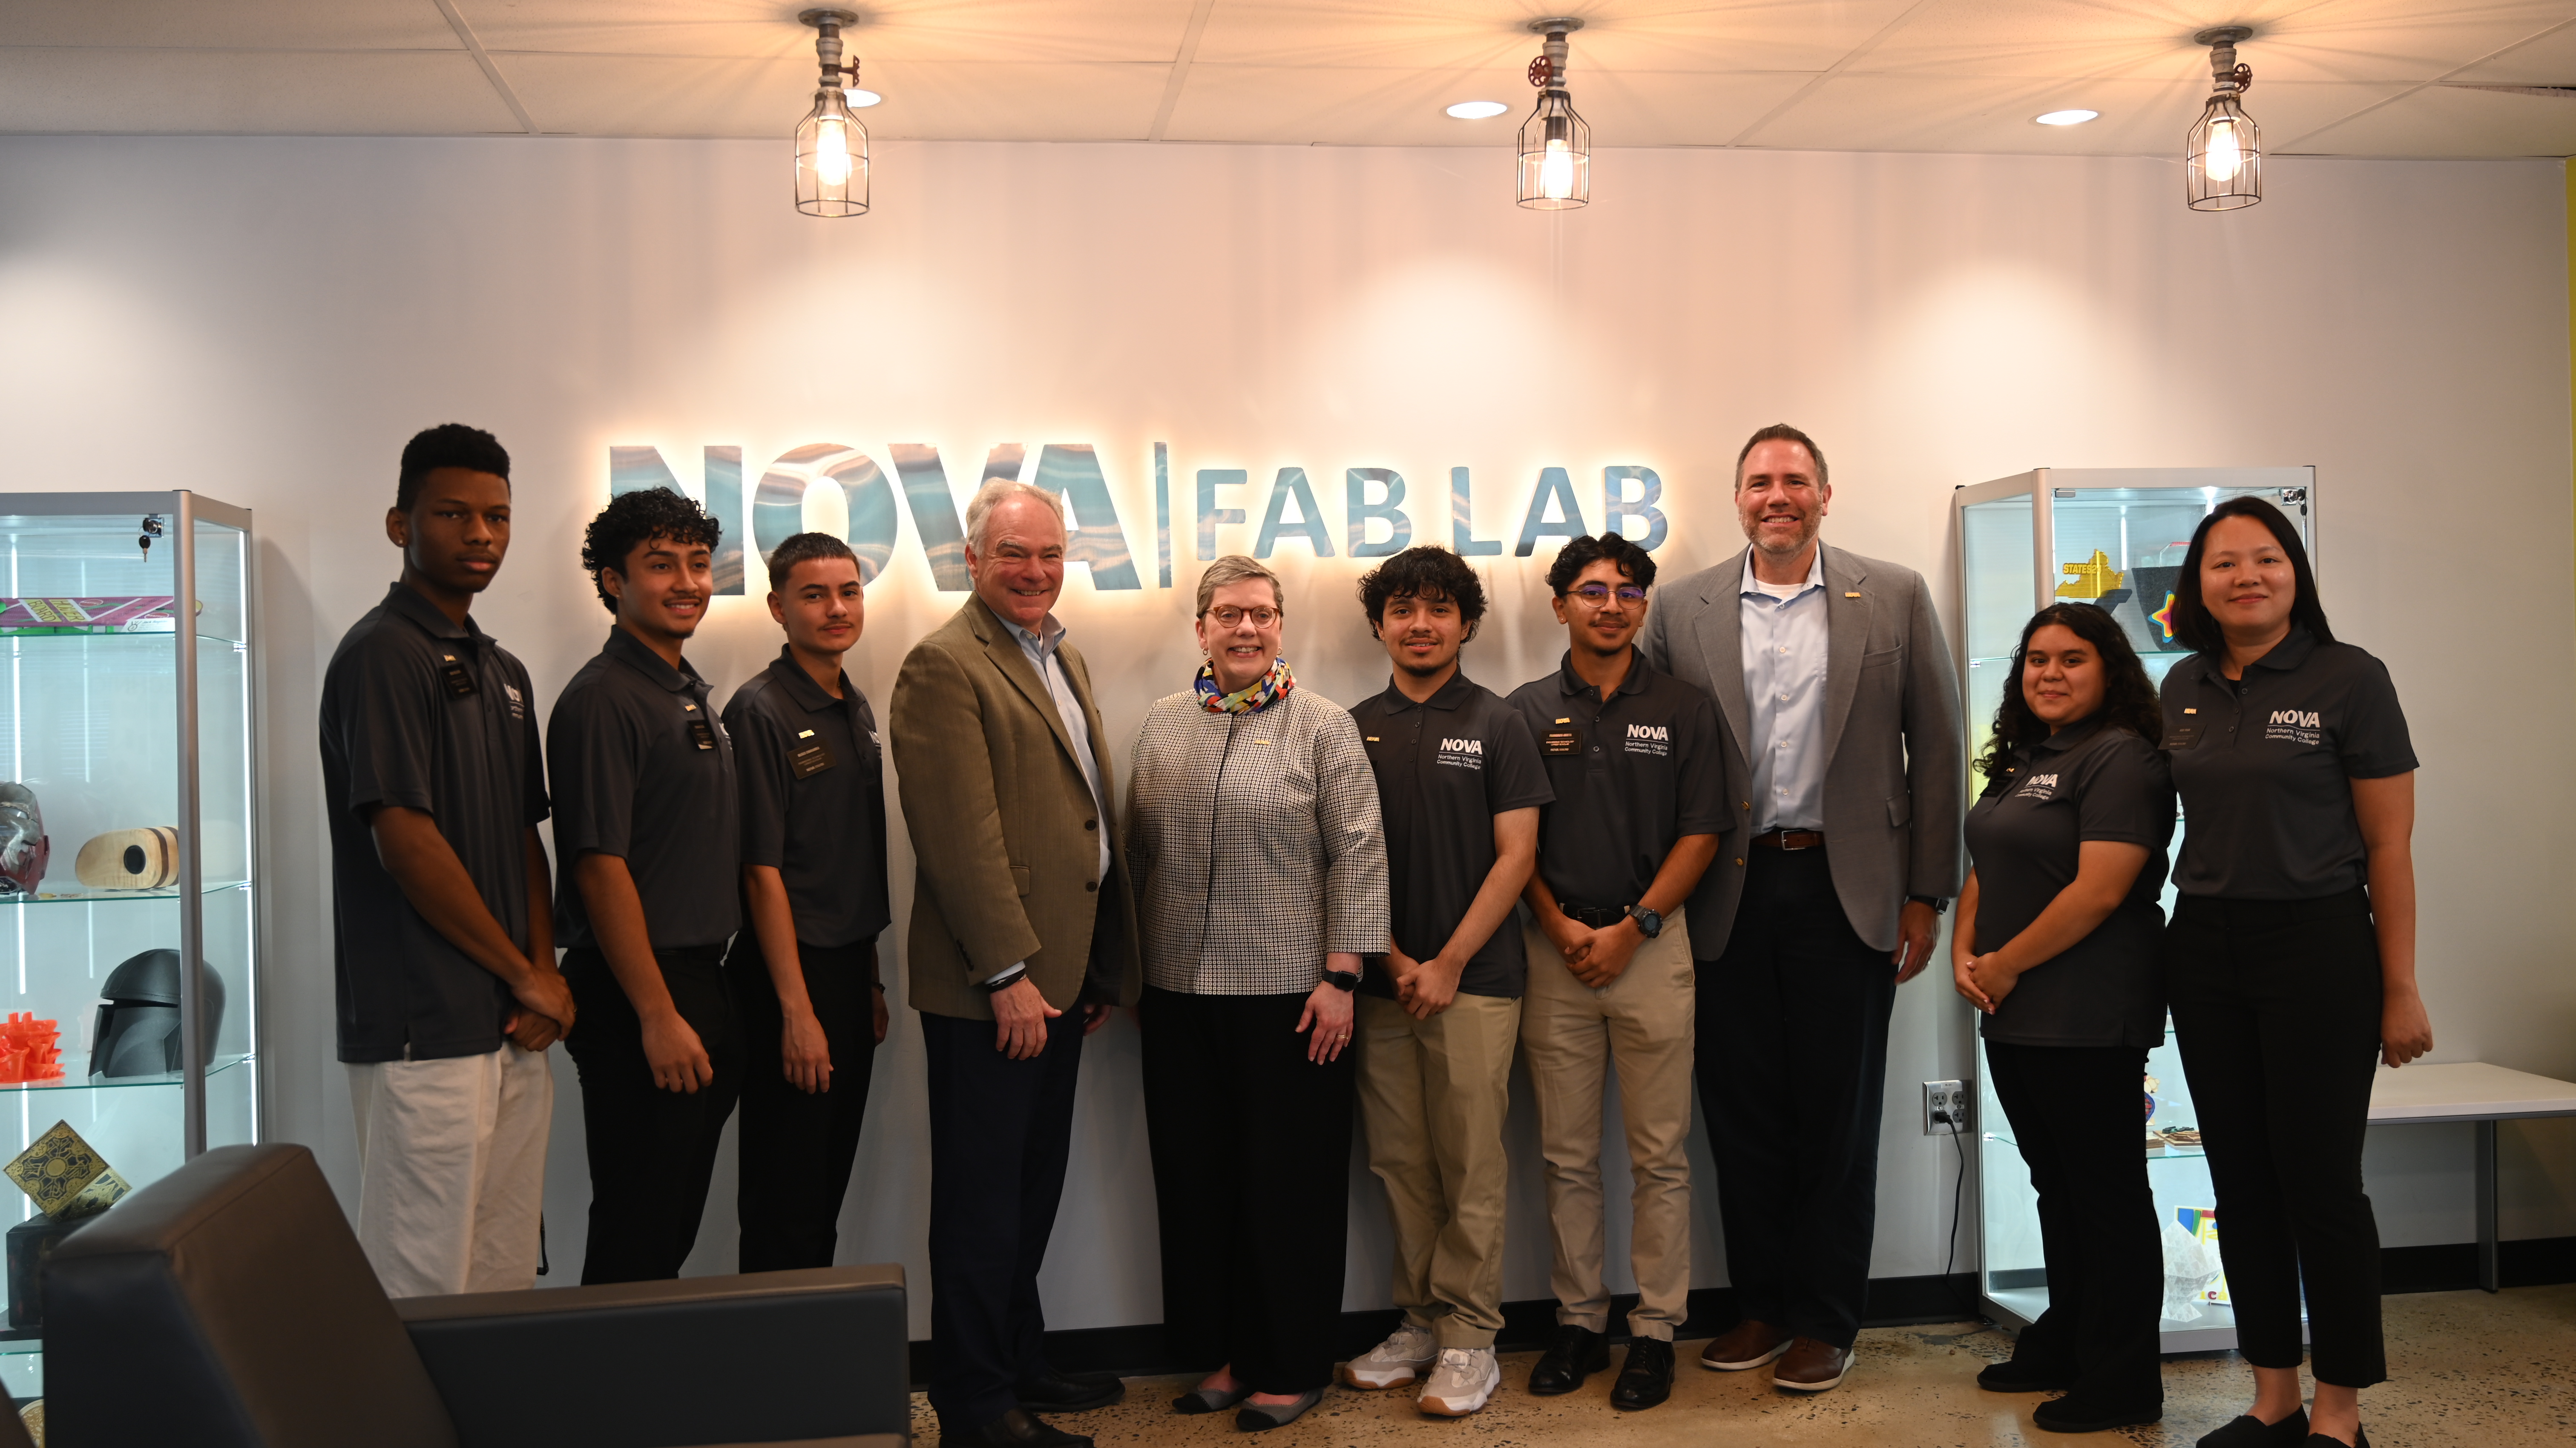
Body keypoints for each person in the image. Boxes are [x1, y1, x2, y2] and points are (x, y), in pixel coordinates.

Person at [1638, 422, 1963, 1393]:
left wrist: (1926, 892)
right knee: (1740, 1114)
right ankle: (1762, 1304)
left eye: (1793, 480)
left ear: (1826, 492)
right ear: (1736, 499)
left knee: (1838, 1113)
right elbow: (1662, 754)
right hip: (1727, 891)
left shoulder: (1893, 592)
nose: (1775, 495)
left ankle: (1827, 1316)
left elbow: (1938, 750)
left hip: (1848, 889)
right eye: (1757, 482)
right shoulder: (1682, 606)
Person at [2157, 498, 2426, 1448]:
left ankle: (2340, 1411)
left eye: (2265, 559)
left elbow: (2389, 847)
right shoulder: (2182, 685)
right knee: (2240, 1175)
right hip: (2206, 945)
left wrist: (2401, 985)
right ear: (2198, 584)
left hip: (2319, 944)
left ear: (2295, 572)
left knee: (2320, 1181)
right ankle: (2273, 1395)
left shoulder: (2351, 677)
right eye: (2224, 563)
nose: (2246, 577)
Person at [889, 480, 1141, 1448]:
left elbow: (1083, 819)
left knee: (1030, 1192)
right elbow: (959, 841)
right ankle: (976, 1404)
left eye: (1049, 553)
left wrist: (1095, 967)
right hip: (998, 990)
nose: (1035, 571)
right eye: (1014, 555)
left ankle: (1021, 1360)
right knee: (981, 1204)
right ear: (972, 560)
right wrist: (1008, 975)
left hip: (1061, 980)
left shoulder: (1057, 651)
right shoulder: (943, 665)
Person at [1126, 555, 1388, 1433]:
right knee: (1202, 1182)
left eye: (1263, 615)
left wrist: (1344, 974)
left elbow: (1358, 854)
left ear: (1282, 627)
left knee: (1289, 1186)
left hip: (1292, 997)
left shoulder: (1323, 726)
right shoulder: (1163, 726)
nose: (1247, 629)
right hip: (1175, 995)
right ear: (1200, 627)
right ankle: (1232, 1350)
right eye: (1229, 614)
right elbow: (1137, 854)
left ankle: (1292, 1359)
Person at [320, 422, 569, 1296]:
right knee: (420, 1281)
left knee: (499, 1274)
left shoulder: (501, 669)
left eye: (498, 516)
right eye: (454, 513)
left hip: (511, 1021)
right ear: (401, 524)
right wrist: (522, 971)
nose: (481, 535)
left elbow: (521, 838)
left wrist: (542, 971)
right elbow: (406, 843)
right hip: (422, 1028)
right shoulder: (383, 652)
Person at [1506, 534, 1724, 1412]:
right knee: (1565, 1155)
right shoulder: (1524, 710)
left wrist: (1635, 926)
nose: (1610, 604)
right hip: (1553, 951)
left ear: (1644, 605)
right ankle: (1577, 1320)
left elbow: (1703, 831)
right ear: (1560, 604)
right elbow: (1511, 839)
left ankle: (1658, 1327)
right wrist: (1559, 924)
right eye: (1591, 590)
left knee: (1659, 1154)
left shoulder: (1684, 707)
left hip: (1651, 945)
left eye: (1627, 591)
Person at [1952, 603, 2174, 1434]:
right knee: (2059, 1188)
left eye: (2071, 658)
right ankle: (2068, 1339)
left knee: (2106, 1195)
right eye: (2036, 659)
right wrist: (1965, 944)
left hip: (2087, 1012)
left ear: (2109, 669)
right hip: (2016, 1013)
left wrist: (2004, 962)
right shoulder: (2030, 756)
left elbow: (2100, 889)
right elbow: (1994, 855)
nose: (2050, 672)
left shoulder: (2121, 758)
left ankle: (2123, 1378)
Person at [1340, 547, 1550, 1417]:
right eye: (1402, 608)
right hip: (1385, 983)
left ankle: (1471, 1337)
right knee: (1400, 1158)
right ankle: (1422, 1319)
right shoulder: (1349, 725)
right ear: (1380, 623)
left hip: (1479, 979)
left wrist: (1451, 959)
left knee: (1470, 1159)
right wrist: (1394, 960)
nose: (1419, 623)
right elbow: (1344, 858)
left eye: (1437, 608)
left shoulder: (1499, 723)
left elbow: (1518, 855)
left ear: (1466, 622)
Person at [547, 486, 742, 1284]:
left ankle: (644, 1399)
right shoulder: (603, 699)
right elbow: (600, 867)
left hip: (698, 977)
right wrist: (656, 1014)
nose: (688, 581)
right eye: (661, 565)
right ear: (610, 582)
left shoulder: (680, 685)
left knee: (669, 1222)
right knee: (637, 1223)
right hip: (641, 991)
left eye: (698, 563)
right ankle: (604, 1406)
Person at [722, 531, 892, 1271]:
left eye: (848, 592)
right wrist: (797, 1014)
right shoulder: (759, 710)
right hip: (789, 977)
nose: (836, 609)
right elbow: (760, 871)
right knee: (785, 1191)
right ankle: (772, 1378)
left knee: (824, 1183)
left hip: (848, 970)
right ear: (777, 607)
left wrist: (871, 982)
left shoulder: (850, 702)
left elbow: (848, 858)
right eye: (814, 595)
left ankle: (814, 1368)